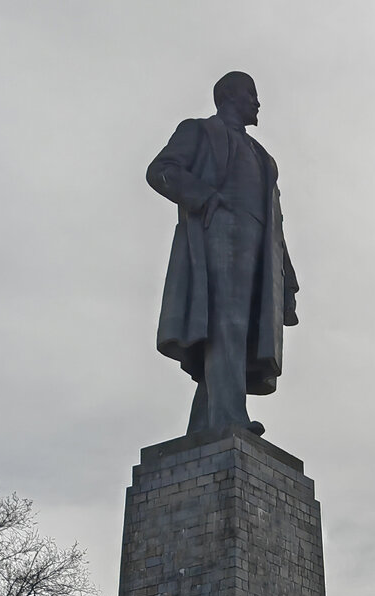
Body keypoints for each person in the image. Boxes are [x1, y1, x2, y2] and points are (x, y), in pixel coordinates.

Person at [147, 72, 298, 437]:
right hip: (218, 236)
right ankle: (230, 418)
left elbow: (275, 220)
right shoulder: (199, 131)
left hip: (258, 250)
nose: (257, 103)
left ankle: (204, 428)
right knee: (227, 325)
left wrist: (286, 275)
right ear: (229, 96)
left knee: (238, 334)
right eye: (251, 94)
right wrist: (205, 198)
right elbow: (161, 170)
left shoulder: (263, 157)